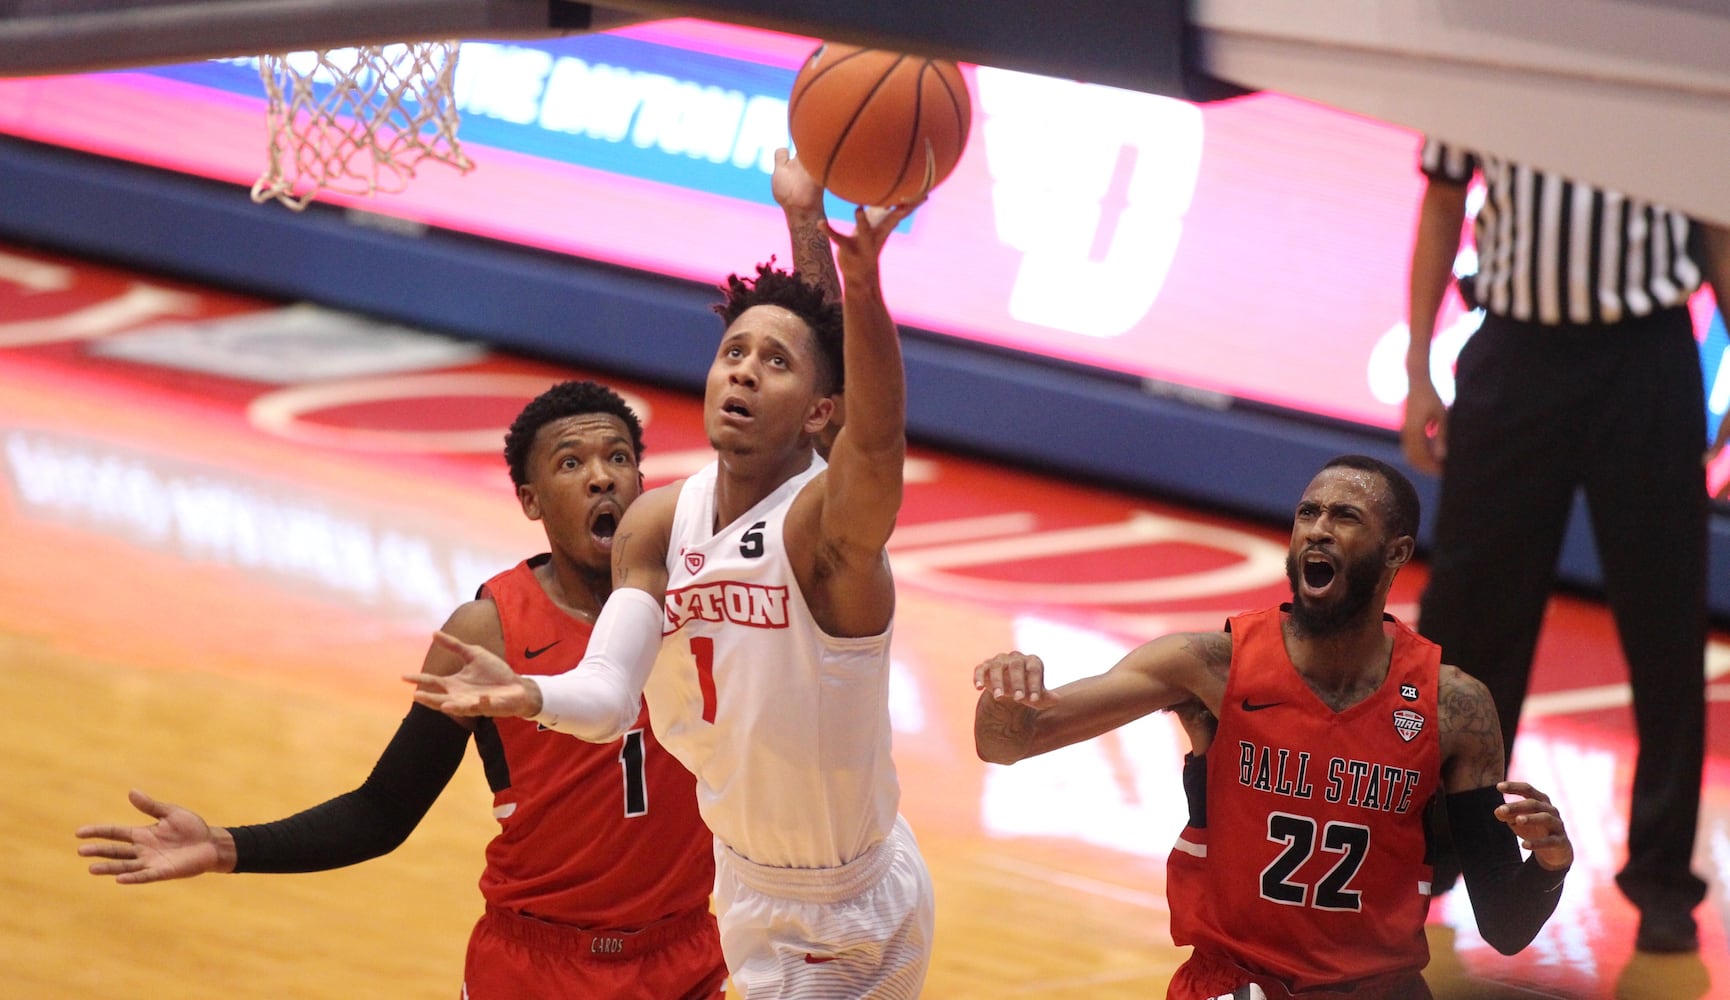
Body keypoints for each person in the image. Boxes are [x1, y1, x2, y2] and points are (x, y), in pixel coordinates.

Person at [408, 198, 935, 998]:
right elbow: (606, 696)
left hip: (847, 911)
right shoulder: (658, 522)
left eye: (777, 363)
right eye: (734, 352)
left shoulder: (823, 535)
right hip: (744, 884)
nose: (746, 370)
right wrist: (531, 694)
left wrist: (860, 287)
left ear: (820, 411)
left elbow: (874, 444)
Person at [75, 380, 729, 998]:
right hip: (537, 968)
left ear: (643, 483)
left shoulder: (704, 596)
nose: (601, 475)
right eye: (570, 463)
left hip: (685, 958)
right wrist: (226, 846)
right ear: (530, 499)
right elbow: (384, 809)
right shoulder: (489, 631)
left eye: (619, 457)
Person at [973, 455, 1574, 1000]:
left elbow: (1505, 926)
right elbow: (1011, 743)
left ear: (1395, 552)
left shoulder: (1453, 705)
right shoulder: (1210, 667)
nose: (1318, 528)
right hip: (1234, 984)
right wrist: (1004, 698)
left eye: (1345, 517)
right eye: (1308, 512)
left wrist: (1549, 866)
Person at [1402, 138, 1730, 953]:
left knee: (1665, 632)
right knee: (1468, 629)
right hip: (1514, 354)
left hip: (1646, 356)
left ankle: (1662, 882)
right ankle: (1435, 850)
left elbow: (1715, 216)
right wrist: (1417, 366)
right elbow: (1443, 200)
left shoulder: (1667, 47)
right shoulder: (1482, 43)